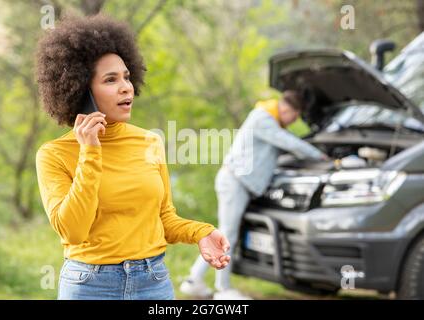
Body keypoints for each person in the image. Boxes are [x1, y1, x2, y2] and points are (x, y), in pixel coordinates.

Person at [35, 14, 230, 300]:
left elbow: (164, 218)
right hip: (90, 285)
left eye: (127, 77)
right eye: (110, 79)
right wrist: (90, 151)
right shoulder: (53, 155)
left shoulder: (149, 142)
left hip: (153, 281)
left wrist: (201, 232)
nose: (126, 87)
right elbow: (73, 231)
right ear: (80, 90)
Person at [180, 90, 328, 300]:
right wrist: (319, 155)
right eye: (293, 117)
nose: (292, 122)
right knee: (227, 235)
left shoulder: (269, 120)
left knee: (225, 233)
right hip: (235, 183)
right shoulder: (263, 119)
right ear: (286, 109)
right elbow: (290, 143)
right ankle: (223, 290)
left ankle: (194, 280)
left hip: (239, 184)